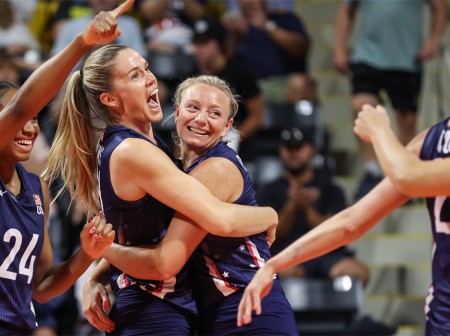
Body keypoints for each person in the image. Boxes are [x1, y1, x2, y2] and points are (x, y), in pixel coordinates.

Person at [43, 30, 279, 336]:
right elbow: (217, 218)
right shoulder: (133, 151)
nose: (151, 79)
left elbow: (134, 234)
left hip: (165, 307)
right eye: (136, 75)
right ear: (111, 99)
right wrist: (269, 215)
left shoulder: (146, 146)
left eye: (147, 68)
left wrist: (100, 267)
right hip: (153, 310)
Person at [81, 75, 297, 335]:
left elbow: (164, 262)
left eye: (214, 113)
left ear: (227, 126)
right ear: (178, 111)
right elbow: (149, 237)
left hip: (250, 307)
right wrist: (97, 275)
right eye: (193, 107)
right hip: (213, 313)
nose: (201, 119)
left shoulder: (215, 169)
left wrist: (101, 251)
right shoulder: (173, 172)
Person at [237, 103, 450, 334]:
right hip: (442, 309)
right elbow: (351, 221)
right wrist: (273, 265)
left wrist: (379, 130)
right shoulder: (431, 139)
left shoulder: (427, 141)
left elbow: (408, 175)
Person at [0, 1, 139, 333]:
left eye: (35, 119)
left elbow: (42, 287)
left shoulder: (37, 190)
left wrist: (87, 253)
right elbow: (22, 105)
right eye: (20, 118)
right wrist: (82, 42)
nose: (30, 127)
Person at [333, 0, 448, 200]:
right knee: (361, 106)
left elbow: (440, 7)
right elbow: (346, 10)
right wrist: (339, 48)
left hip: (406, 58)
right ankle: (371, 169)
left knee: (407, 120)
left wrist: (433, 40)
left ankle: (404, 176)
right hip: (367, 55)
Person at [256, 126, 369, 285]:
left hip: (326, 254)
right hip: (287, 253)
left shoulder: (331, 189)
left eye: (299, 147)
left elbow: (336, 232)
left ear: (312, 150)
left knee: (358, 273)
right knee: (274, 274)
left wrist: (308, 209)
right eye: (288, 147)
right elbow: (271, 235)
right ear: (281, 150)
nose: (293, 152)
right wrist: (293, 205)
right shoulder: (268, 190)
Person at [191, 17, 264, 160]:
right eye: (196, 43)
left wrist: (233, 137)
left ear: (218, 44)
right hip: (200, 147)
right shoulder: (192, 75)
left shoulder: (240, 71)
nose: (197, 49)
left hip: (240, 150)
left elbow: (257, 116)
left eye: (204, 43)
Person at [224, 0, 317, 105]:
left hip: (281, 85)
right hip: (245, 88)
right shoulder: (231, 27)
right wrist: (236, 38)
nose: (250, 2)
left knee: (300, 83)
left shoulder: (286, 19)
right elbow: (221, 64)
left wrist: (267, 26)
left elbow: (301, 49)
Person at [50, 0, 147, 71]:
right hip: (77, 81)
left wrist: (113, 46)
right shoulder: (70, 26)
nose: (101, 0)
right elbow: (56, 63)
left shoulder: (131, 25)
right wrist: (86, 48)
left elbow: (140, 61)